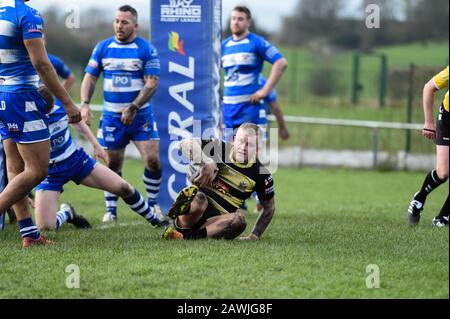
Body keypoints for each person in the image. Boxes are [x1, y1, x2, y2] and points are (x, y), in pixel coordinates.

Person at [0, 0, 81, 248]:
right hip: (22, 98)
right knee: (37, 170)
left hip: (3, 96)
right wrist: (67, 103)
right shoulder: (27, 14)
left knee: (16, 170)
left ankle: (30, 234)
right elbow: (42, 64)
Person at [34, 86, 169, 231]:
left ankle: (156, 221)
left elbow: (77, 121)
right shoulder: (26, 118)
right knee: (45, 227)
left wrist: (95, 144)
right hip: (50, 172)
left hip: (76, 161)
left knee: (124, 187)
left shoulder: (61, 104)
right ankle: (67, 213)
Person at [80, 5, 164, 224]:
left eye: (124, 22)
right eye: (117, 21)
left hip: (140, 115)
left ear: (135, 25)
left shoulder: (146, 49)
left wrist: (133, 107)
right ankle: (111, 211)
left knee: (153, 160)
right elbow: (90, 78)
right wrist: (85, 104)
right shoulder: (103, 47)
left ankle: (153, 205)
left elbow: (152, 84)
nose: (119, 25)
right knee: (112, 165)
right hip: (111, 117)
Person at [162, 123, 276, 241]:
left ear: (257, 149)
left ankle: (184, 237)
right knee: (200, 198)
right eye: (241, 141)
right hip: (193, 214)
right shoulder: (219, 148)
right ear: (234, 140)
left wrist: (254, 235)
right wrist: (206, 161)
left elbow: (269, 208)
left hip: (217, 223)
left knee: (239, 220)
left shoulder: (262, 174)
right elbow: (185, 143)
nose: (243, 147)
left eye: (250, 145)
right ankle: (183, 212)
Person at [221, 6, 287, 142]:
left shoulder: (256, 42)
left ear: (248, 22)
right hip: (228, 109)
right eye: (233, 19)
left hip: (249, 107)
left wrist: (264, 91)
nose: (236, 22)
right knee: (228, 156)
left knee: (251, 154)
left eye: (240, 19)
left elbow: (281, 63)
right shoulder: (224, 46)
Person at [407, 65, 449, 227]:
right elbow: (429, 88)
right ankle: (419, 198)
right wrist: (428, 122)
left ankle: (442, 219)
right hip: (447, 118)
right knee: (443, 173)